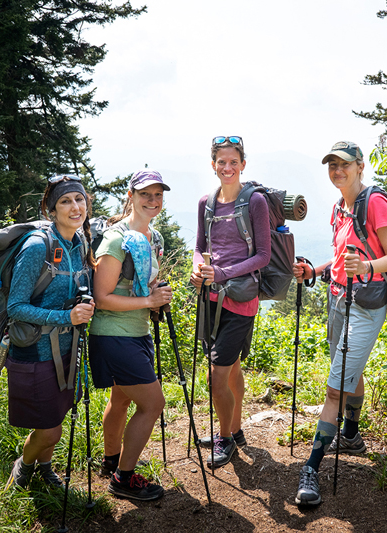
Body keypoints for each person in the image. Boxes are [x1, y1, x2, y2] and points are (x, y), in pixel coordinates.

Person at [292, 141, 387, 506]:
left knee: (335, 388)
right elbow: (341, 254)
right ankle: (351, 436)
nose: (337, 171)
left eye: (343, 164)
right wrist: (316, 270)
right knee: (347, 373)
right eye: (332, 165)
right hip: (338, 297)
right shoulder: (340, 206)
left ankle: (311, 468)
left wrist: (368, 267)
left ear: (360, 166)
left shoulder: (376, 203)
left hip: (366, 305)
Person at [5, 174, 96, 490]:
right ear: (50, 210)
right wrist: (67, 316)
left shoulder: (79, 243)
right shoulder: (36, 247)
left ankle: (45, 469)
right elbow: (15, 307)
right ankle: (23, 468)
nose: (75, 207)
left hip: (68, 353)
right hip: (34, 353)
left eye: (80, 199)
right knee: (50, 429)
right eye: (66, 201)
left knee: (56, 416)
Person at [89, 169, 173, 501]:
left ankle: (112, 461)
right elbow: (102, 296)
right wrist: (148, 300)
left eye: (158, 195)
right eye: (145, 195)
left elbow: (142, 286)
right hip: (112, 335)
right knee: (153, 404)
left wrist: (157, 297)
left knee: (121, 398)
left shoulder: (154, 239)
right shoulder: (115, 239)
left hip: (136, 331)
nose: (152, 201)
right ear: (130, 196)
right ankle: (123, 479)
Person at [190, 136, 271, 468]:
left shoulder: (255, 203)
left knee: (216, 374)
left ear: (243, 165)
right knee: (232, 365)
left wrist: (222, 273)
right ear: (213, 165)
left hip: (240, 299)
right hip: (211, 297)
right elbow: (199, 245)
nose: (227, 168)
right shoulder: (205, 203)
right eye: (221, 162)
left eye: (233, 162)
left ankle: (225, 440)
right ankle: (234, 430)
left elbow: (263, 256)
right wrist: (199, 268)